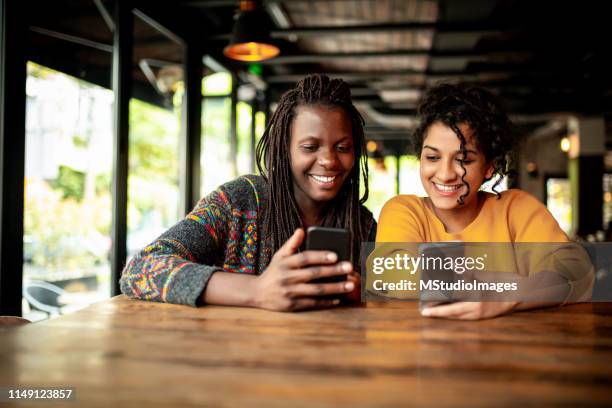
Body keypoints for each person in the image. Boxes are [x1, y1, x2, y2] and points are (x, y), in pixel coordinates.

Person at [120, 74, 376, 311]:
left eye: (342, 147)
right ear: (284, 151)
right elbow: (141, 270)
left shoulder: (363, 223)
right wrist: (256, 290)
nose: (329, 160)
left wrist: (364, 292)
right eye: (310, 147)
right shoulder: (237, 202)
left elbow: (400, 289)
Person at [376, 83, 593, 320]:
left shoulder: (517, 209)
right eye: (432, 157)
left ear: (489, 166)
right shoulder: (404, 211)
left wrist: (505, 296)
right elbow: (393, 277)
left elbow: (576, 271)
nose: (446, 173)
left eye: (464, 160)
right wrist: (518, 284)